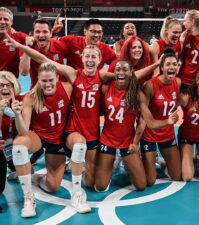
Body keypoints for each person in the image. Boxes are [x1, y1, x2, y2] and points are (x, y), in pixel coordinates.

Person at [4, 33, 114, 213]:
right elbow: (42, 58)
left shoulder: (85, 82)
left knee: (67, 185)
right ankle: (32, 198)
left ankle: (38, 178)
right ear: (82, 58)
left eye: (94, 56)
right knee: (19, 146)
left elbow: (123, 75)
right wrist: (19, 45)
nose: (90, 59)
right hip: (46, 136)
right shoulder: (69, 77)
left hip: (66, 137)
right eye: (87, 56)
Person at [95, 59, 179, 192]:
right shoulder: (106, 88)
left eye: (125, 69)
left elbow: (149, 122)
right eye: (118, 69)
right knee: (100, 187)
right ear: (114, 72)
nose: (121, 72)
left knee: (141, 185)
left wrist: (167, 122)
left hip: (128, 142)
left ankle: (125, 161)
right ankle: (111, 164)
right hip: (107, 139)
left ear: (131, 72)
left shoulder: (137, 94)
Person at [11, 63, 72, 217]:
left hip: (58, 141)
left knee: (53, 187)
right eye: (43, 81)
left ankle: (35, 178)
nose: (47, 84)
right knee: (19, 144)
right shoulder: (31, 97)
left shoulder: (67, 88)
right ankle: (28, 198)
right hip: (39, 137)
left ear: (57, 78)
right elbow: (24, 130)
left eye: (50, 80)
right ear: (38, 79)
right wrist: (17, 114)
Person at [140, 48, 182, 186]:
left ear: (177, 66)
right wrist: (135, 139)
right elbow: (143, 116)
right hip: (149, 134)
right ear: (162, 67)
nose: (171, 67)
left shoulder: (178, 83)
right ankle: (145, 158)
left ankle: (161, 162)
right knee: (150, 181)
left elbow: (178, 103)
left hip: (167, 134)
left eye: (174, 64)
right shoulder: (150, 85)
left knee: (177, 176)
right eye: (168, 64)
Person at [19, 18, 69, 89]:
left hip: (59, 91)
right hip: (38, 92)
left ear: (51, 33)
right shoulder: (26, 48)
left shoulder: (60, 45)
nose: (41, 35)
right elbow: (24, 72)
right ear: (32, 34)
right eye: (37, 32)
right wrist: (28, 47)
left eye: (45, 32)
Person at [0, 71, 21, 195]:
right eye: (1, 85)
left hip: (10, 145)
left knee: (26, 171)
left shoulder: (19, 100)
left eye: (9, 85)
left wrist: (17, 114)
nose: (5, 88)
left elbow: (24, 130)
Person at [0, 7, 27, 77]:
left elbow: (37, 40)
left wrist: (52, 33)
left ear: (11, 22)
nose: (2, 22)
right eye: (0, 19)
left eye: (6, 19)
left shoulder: (18, 36)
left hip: (11, 84)